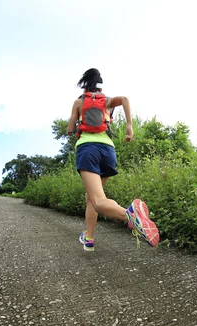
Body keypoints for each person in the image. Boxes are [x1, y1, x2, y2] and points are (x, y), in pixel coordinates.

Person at [67, 68, 159, 252]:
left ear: (85, 85)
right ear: (100, 86)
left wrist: (75, 128)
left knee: (98, 200)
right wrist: (129, 127)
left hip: (88, 149)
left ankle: (131, 216)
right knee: (91, 198)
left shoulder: (79, 102)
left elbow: (70, 128)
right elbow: (124, 98)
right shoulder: (107, 101)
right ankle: (89, 238)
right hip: (108, 151)